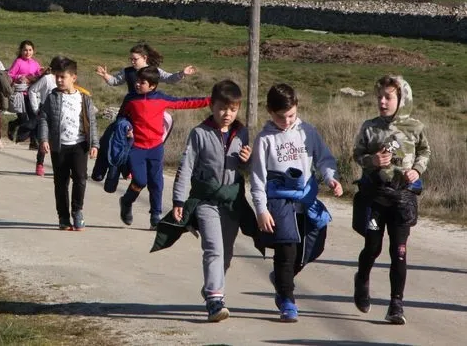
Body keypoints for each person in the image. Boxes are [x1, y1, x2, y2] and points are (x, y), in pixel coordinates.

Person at [250, 83, 343, 323]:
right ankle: (287, 300)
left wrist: (331, 177)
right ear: (270, 112)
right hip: (279, 201)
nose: (287, 121)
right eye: (281, 117)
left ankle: (282, 278)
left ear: (297, 108)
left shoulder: (308, 132)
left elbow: (324, 159)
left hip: (306, 197)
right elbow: (258, 178)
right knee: (286, 250)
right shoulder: (265, 140)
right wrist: (261, 209)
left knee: (312, 246)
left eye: (291, 115)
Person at [168, 80, 254, 322]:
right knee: (213, 249)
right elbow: (186, 167)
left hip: (232, 202)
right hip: (206, 201)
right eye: (222, 108)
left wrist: (248, 160)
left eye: (233, 109)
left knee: (225, 253)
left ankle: (211, 288)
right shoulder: (200, 133)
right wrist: (179, 200)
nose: (227, 114)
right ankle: (216, 301)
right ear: (212, 106)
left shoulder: (243, 133)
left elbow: (246, 169)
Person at [351, 75, 430, 325]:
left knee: (399, 252)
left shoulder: (415, 127)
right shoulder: (370, 127)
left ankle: (396, 305)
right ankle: (362, 279)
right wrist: (372, 161)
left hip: (402, 199)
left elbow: (425, 151)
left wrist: (417, 170)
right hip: (376, 197)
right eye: (380, 97)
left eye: (389, 97)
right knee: (373, 247)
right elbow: (357, 154)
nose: (383, 102)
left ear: (401, 99)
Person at [119, 67, 211, 230]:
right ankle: (127, 201)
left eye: (142, 82)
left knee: (157, 183)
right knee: (140, 180)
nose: (137, 84)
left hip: (155, 148)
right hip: (136, 147)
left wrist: (209, 100)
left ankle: (155, 215)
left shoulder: (161, 99)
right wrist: (126, 127)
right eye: (137, 81)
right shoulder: (130, 99)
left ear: (153, 86)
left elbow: (185, 102)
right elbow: (121, 118)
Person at [37, 57, 99, 231]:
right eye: (57, 76)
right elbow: (44, 119)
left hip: (79, 145)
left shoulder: (84, 98)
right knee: (61, 182)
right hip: (59, 146)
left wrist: (94, 144)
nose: (58, 80)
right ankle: (63, 217)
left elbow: (92, 122)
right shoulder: (52, 97)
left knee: (80, 179)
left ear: (73, 77)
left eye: (62, 77)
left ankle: (77, 211)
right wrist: (43, 139)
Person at [96, 43, 197, 93]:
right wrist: (105, 75)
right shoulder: (127, 71)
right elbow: (115, 81)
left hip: (150, 106)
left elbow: (169, 79)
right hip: (131, 105)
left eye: (135, 59)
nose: (132, 61)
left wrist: (182, 73)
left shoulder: (154, 71)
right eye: (130, 59)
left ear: (144, 58)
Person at [7, 40, 43, 147]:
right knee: (23, 119)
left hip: (31, 94)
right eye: (25, 50)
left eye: (30, 50)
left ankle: (34, 142)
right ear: (21, 51)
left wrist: (41, 72)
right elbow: (10, 74)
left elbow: (38, 74)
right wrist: (18, 77)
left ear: (33, 51)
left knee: (33, 117)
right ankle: (13, 125)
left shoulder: (35, 63)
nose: (28, 52)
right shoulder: (18, 62)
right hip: (20, 95)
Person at [28, 63, 57, 176]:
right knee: (44, 140)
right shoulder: (47, 78)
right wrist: (36, 109)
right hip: (46, 112)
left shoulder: (66, 80)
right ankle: (40, 163)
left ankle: (60, 167)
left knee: (59, 142)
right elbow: (32, 90)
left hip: (60, 114)